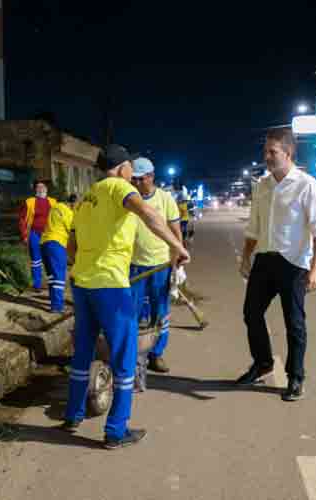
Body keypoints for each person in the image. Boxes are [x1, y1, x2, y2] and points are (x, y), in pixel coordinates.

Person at [63, 144, 189, 449]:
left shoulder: (87, 197)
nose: (132, 174)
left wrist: (87, 264)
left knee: (83, 351)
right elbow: (148, 213)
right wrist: (177, 246)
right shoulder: (118, 187)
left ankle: (73, 414)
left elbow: (71, 245)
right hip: (110, 286)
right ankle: (116, 431)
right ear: (121, 168)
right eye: (130, 168)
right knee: (124, 356)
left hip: (83, 284)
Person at [236, 127, 316, 402]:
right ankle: (263, 362)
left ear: (287, 153)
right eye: (265, 151)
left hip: (294, 264)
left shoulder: (306, 185)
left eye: (272, 152)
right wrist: (245, 257)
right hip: (265, 260)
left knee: (295, 324)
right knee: (251, 313)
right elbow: (254, 228)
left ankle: (296, 376)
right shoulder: (262, 186)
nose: (266, 156)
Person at [129, 157, 181, 374]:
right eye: (134, 179)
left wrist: (177, 259)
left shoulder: (165, 199)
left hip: (160, 265)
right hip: (134, 264)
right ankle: (131, 354)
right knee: (131, 312)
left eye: (140, 179)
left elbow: (175, 229)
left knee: (160, 311)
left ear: (150, 177)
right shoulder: (129, 199)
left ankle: (156, 354)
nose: (136, 183)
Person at [40, 194, 77, 313]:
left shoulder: (55, 207)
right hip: (57, 243)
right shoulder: (68, 212)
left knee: (51, 276)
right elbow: (72, 230)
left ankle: (54, 302)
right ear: (73, 203)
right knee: (59, 276)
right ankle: (57, 306)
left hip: (44, 242)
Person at [18, 181, 56, 291]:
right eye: (39, 187)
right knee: (36, 259)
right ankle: (37, 284)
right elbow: (22, 219)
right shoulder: (29, 202)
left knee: (50, 259)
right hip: (34, 233)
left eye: (43, 186)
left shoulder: (53, 202)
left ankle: (52, 283)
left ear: (47, 189)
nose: (41, 189)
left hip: (49, 234)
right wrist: (24, 235)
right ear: (35, 190)